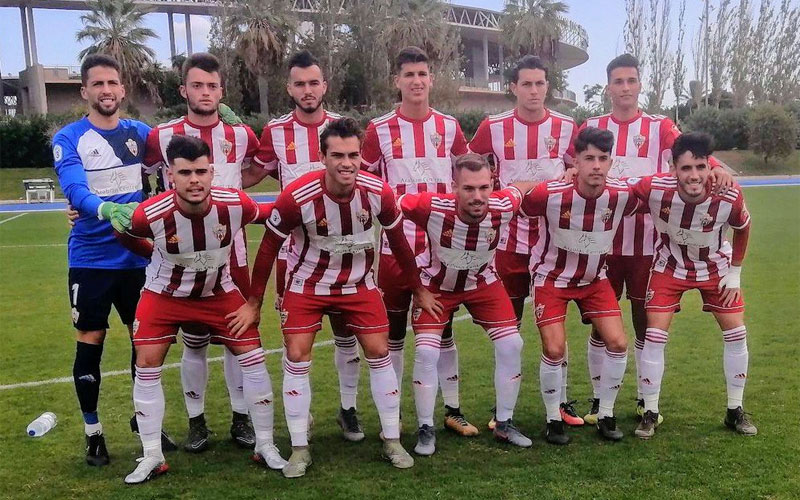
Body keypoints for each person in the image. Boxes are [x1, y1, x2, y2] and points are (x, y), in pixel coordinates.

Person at [228, 117, 442, 478]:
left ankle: (391, 440)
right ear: (322, 156)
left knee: (379, 352)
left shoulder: (378, 192)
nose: (348, 163)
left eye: (354, 155)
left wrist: (419, 289)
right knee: (296, 355)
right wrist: (253, 303)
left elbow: (400, 245)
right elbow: (267, 249)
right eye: (338, 155)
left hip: (359, 285)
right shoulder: (297, 196)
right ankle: (299, 448)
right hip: (307, 286)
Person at [119, 134, 286, 484]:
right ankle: (152, 455)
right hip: (163, 294)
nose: (194, 180)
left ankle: (266, 445)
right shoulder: (150, 213)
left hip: (219, 293)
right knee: (147, 362)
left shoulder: (234, 204)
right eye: (184, 173)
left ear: (212, 172)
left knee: (253, 358)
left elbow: (276, 217)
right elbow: (126, 232)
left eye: (200, 171)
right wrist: (151, 255)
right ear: (170, 175)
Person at [580, 54, 732, 424]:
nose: (625, 88)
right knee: (602, 322)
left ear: (640, 84)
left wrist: (722, 169)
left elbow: (690, 155)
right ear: (608, 87)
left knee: (642, 319)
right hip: (602, 242)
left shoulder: (659, 125)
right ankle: (599, 399)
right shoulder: (593, 125)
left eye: (631, 80)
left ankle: (643, 398)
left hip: (648, 243)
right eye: (618, 81)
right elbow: (575, 165)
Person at [52, 53, 175, 467]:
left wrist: (227, 127)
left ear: (123, 89)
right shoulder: (69, 137)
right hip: (90, 260)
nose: (107, 91)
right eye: (98, 84)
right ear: (85, 91)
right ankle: (93, 433)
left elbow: (183, 152)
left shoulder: (141, 133)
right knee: (91, 342)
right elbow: (73, 186)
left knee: (146, 344)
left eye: (113, 83)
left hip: (139, 259)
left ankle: (145, 423)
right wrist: (102, 210)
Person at [143, 52, 261, 452]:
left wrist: (235, 194)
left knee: (236, 339)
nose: (205, 92)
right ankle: (197, 422)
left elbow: (260, 166)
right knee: (193, 340)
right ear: (184, 90)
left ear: (221, 91)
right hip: (181, 256)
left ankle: (241, 418)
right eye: (197, 85)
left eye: (212, 86)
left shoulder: (240, 134)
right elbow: (138, 175)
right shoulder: (161, 135)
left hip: (233, 255)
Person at [361, 46, 477, 436]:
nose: (416, 81)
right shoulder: (378, 129)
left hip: (441, 247)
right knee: (392, 332)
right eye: (408, 74)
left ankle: (453, 409)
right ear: (397, 81)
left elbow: (467, 178)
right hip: (397, 248)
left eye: (422, 74)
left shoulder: (449, 127)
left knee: (442, 330)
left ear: (431, 79)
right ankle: (391, 415)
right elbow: (366, 183)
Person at [468, 54, 583, 428]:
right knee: (509, 327)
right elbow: (471, 166)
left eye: (540, 83)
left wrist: (571, 169)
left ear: (548, 86)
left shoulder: (567, 126)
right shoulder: (493, 126)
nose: (534, 91)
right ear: (513, 88)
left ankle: (563, 402)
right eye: (526, 84)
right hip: (509, 241)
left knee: (557, 328)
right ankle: (505, 408)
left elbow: (582, 165)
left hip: (555, 241)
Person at [253, 50, 363, 441]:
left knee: (346, 333)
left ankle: (348, 409)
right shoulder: (274, 132)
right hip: (293, 257)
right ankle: (303, 415)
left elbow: (370, 179)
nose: (307, 90)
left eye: (314, 82)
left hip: (344, 252)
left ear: (324, 85)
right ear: (289, 88)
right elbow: (249, 172)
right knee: (295, 341)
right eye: (299, 83)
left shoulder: (344, 128)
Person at [399, 153, 536, 455]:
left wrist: (563, 178)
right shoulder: (431, 206)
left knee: (512, 343)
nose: (478, 197)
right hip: (436, 287)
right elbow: (389, 210)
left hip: (482, 284)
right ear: (454, 186)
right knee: (425, 350)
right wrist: (416, 287)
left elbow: (521, 187)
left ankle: (504, 422)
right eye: (468, 189)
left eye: (484, 188)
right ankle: (425, 427)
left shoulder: (502, 206)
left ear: (492, 185)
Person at [629, 132, 757, 439]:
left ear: (709, 166)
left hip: (715, 266)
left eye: (701, 166)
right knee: (654, 335)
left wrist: (735, 272)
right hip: (670, 265)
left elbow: (743, 227)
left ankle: (734, 410)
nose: (694, 175)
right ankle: (650, 410)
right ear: (673, 168)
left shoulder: (728, 193)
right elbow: (619, 190)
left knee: (737, 333)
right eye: (686, 168)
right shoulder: (655, 188)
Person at [519, 127, 641, 444]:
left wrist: (714, 173)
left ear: (611, 163)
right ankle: (552, 419)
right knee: (555, 349)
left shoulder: (622, 195)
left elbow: (661, 189)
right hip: (552, 278)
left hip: (594, 279)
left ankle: (606, 413)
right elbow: (517, 200)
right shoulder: (551, 194)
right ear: (576, 161)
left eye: (602, 159)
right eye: (589, 158)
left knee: (617, 343)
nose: (596, 166)